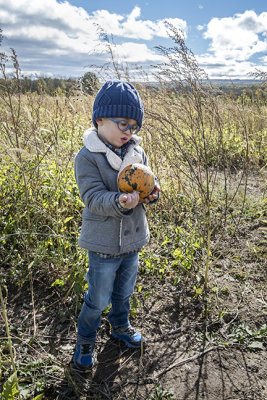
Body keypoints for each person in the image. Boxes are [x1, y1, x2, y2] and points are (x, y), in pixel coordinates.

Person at [73, 80, 161, 371]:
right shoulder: (88, 157)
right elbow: (93, 197)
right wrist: (120, 202)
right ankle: (85, 338)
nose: (128, 132)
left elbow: (147, 180)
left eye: (134, 126)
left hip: (133, 240)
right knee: (98, 297)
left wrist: (152, 193)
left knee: (124, 291)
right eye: (122, 123)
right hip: (103, 244)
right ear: (99, 119)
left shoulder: (138, 152)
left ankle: (120, 326)